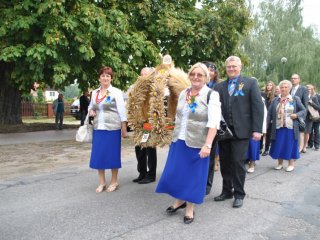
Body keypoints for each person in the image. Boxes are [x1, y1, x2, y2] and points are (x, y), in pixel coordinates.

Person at [156, 62, 221, 224]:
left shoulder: (211, 95)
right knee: (179, 172)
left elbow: (214, 123)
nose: (196, 77)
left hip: (198, 142)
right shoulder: (184, 92)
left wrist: (208, 145)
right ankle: (179, 200)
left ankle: (189, 208)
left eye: (200, 75)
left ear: (206, 77)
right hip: (179, 139)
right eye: (193, 74)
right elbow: (179, 116)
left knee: (193, 176)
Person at [214, 56, 264, 208]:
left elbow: (257, 107)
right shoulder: (219, 87)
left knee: (238, 163)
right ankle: (227, 190)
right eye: (229, 67)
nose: (231, 69)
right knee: (225, 163)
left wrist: (257, 129)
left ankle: (239, 194)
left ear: (240, 67)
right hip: (224, 132)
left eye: (234, 66)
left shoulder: (250, 83)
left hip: (241, 131)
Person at [88, 66, 128, 193]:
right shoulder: (94, 93)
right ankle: (102, 182)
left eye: (108, 76)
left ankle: (114, 181)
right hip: (98, 128)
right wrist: (91, 111)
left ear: (111, 78)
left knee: (112, 155)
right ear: (99, 77)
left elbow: (122, 112)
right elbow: (91, 107)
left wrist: (124, 130)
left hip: (113, 129)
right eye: (103, 75)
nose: (105, 78)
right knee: (99, 155)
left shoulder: (116, 92)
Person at [268, 80, 306, 172]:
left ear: (289, 88)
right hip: (278, 127)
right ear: (279, 89)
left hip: (291, 128)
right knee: (279, 145)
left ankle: (291, 164)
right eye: (282, 87)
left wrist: (296, 115)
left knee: (290, 145)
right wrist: (267, 124)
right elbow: (269, 113)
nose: (284, 89)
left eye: (286, 87)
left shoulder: (295, 99)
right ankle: (280, 163)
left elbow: (304, 110)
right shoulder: (275, 100)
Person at [132, 67, 158, 184]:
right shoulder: (136, 89)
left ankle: (151, 174)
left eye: (146, 74)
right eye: (142, 74)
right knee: (139, 148)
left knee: (149, 147)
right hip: (139, 123)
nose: (143, 76)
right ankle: (142, 172)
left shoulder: (154, 89)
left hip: (149, 123)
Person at [202, 61, 221, 195]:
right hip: (198, 127)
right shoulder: (196, 85)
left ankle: (207, 185)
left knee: (210, 156)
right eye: (207, 70)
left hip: (212, 126)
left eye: (212, 70)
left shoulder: (218, 87)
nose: (210, 72)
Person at [290, 74, 309, 152]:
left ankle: (300, 148)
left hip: (300, 114)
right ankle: (293, 147)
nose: (293, 80)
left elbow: (305, 104)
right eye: (292, 78)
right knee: (293, 132)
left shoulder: (303, 89)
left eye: (295, 78)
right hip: (291, 114)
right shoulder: (290, 89)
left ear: (299, 80)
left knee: (301, 132)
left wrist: (302, 116)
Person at [303, 84, 320, 152]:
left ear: (312, 89)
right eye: (307, 89)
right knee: (308, 131)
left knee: (315, 130)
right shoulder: (303, 97)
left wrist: (311, 103)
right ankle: (309, 144)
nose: (308, 90)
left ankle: (316, 145)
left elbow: (318, 107)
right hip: (305, 117)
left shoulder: (315, 97)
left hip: (313, 116)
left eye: (309, 89)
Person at [262, 81, 277, 156]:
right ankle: (260, 148)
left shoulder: (275, 96)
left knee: (268, 133)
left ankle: (266, 149)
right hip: (263, 115)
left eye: (270, 85)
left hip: (270, 117)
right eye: (267, 85)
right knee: (261, 132)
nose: (269, 86)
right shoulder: (262, 94)